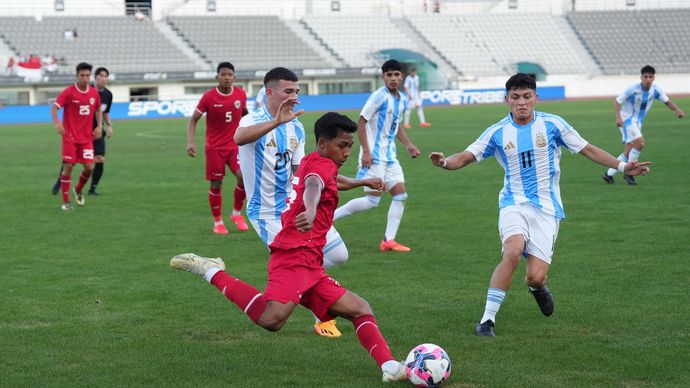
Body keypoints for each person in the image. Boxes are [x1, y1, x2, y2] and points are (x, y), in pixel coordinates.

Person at [170, 112, 404, 383]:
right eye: (343, 145)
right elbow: (314, 186)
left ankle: (389, 366)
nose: (348, 151)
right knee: (272, 320)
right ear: (322, 143)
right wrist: (313, 210)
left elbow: (330, 180)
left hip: (311, 261)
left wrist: (362, 182)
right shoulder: (319, 168)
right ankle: (212, 271)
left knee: (360, 309)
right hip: (293, 255)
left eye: (350, 146)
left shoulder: (313, 161)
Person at [428, 73, 651, 337]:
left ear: (536, 97)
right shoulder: (498, 132)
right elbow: (465, 157)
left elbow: (588, 149)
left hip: (547, 208)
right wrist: (443, 162)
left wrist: (624, 166)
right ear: (506, 99)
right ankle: (487, 321)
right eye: (515, 97)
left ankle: (537, 287)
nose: (521, 102)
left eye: (526, 96)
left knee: (535, 276)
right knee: (512, 251)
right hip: (513, 202)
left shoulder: (553, 125)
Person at [235, 67, 379, 337]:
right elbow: (239, 139)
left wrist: (361, 182)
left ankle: (311, 292)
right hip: (265, 212)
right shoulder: (252, 120)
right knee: (297, 266)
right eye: (288, 91)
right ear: (270, 92)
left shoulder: (297, 128)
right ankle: (320, 314)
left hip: (294, 207)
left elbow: (309, 174)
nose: (295, 97)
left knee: (337, 255)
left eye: (297, 91)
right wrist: (277, 121)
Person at [334, 59, 421, 252]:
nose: (393, 78)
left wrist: (408, 145)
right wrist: (366, 151)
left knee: (400, 195)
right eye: (389, 75)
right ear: (383, 77)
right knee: (372, 201)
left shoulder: (403, 99)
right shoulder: (379, 96)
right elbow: (362, 121)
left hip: (390, 156)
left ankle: (388, 240)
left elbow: (395, 125)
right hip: (374, 155)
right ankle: (328, 219)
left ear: (402, 77)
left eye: (396, 74)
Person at [187, 62, 249, 234]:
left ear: (234, 77)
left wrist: (253, 130)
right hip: (214, 147)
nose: (227, 77)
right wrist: (191, 142)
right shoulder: (209, 97)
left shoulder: (240, 94)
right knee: (216, 183)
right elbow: (193, 119)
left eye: (230, 74)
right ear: (217, 77)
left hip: (235, 146)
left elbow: (245, 113)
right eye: (223, 74)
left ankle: (236, 214)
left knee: (243, 177)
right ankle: (218, 222)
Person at [602, 65, 684, 185]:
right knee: (640, 143)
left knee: (629, 150)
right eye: (645, 77)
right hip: (627, 120)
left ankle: (608, 175)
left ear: (654, 78)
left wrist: (677, 109)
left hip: (637, 122)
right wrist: (618, 117)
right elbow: (618, 101)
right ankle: (629, 173)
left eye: (650, 77)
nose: (648, 79)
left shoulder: (655, 90)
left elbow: (667, 102)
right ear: (641, 77)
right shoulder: (633, 89)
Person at [52, 67, 113, 196]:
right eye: (101, 76)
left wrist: (108, 125)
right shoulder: (86, 89)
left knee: (99, 159)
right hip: (80, 131)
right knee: (70, 163)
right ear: (95, 77)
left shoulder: (108, 95)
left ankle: (92, 189)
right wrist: (58, 123)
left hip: (97, 131)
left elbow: (105, 111)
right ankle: (60, 180)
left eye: (106, 76)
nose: (103, 79)